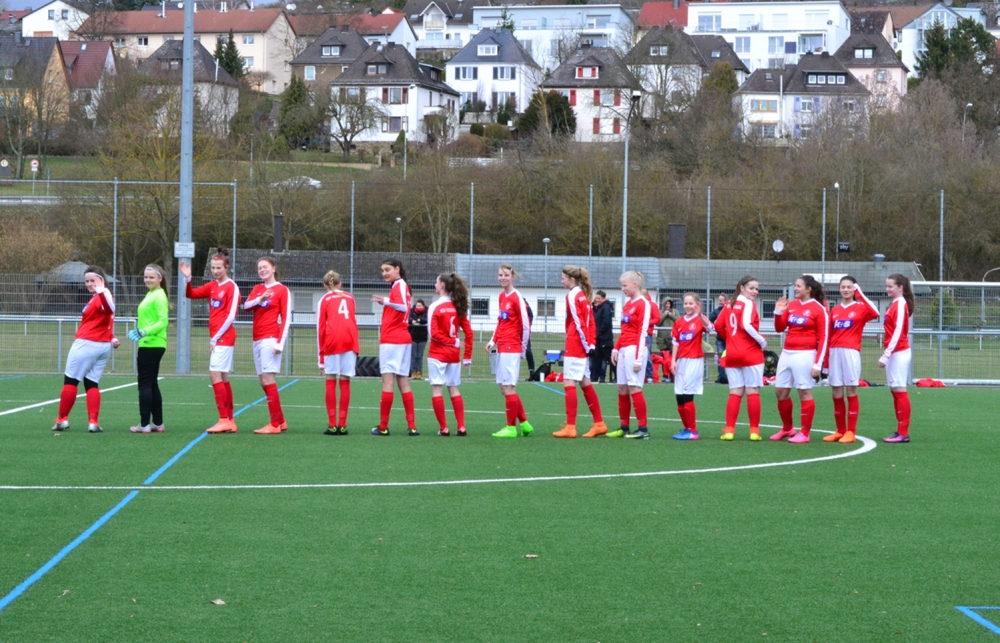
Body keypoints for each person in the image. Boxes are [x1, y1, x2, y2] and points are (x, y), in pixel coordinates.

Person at [51, 265, 120, 433]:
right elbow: (103, 321)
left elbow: (110, 309)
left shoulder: (103, 295)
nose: (89, 284)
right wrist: (112, 337)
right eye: (87, 281)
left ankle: (62, 419)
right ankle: (93, 422)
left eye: (93, 280)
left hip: (86, 344)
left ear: (101, 280)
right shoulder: (100, 296)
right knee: (91, 383)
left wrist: (101, 290)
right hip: (102, 346)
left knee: (71, 381)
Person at [180, 249, 240, 433]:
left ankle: (224, 419)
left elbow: (230, 316)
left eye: (219, 268)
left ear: (226, 267)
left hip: (224, 337)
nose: (215, 271)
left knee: (214, 374)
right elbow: (190, 294)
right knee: (223, 377)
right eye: (213, 268)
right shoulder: (212, 286)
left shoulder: (232, 287)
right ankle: (230, 419)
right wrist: (188, 279)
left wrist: (215, 338)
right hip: (217, 338)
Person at [769, 276, 830, 444]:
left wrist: (818, 364)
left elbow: (824, 338)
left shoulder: (819, 309)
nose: (795, 288)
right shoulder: (792, 305)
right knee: (780, 392)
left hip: (805, 354)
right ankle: (788, 428)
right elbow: (779, 328)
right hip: (786, 353)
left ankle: (805, 433)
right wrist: (778, 312)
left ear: (808, 288)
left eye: (798, 286)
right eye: (795, 286)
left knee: (804, 392)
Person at [553, 265, 608, 438]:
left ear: (572, 280)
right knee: (585, 383)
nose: (561, 281)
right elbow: (590, 322)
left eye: (563, 278)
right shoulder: (582, 295)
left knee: (569, 383)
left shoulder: (572, 295)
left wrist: (587, 345)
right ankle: (599, 423)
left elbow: (579, 323)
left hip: (576, 344)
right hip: (582, 344)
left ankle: (570, 427)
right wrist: (591, 344)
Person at [824, 276, 880, 444]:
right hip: (834, 352)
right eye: (843, 287)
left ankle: (851, 432)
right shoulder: (835, 310)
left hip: (851, 352)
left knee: (851, 390)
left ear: (854, 289)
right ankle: (840, 430)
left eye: (849, 287)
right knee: (836, 391)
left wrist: (860, 293)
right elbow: (829, 335)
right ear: (839, 289)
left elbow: (875, 313)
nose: (846, 290)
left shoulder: (861, 308)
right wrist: (825, 360)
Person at [713, 275, 767, 441]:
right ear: (742, 288)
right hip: (750, 353)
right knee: (753, 391)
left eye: (757, 289)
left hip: (732, 354)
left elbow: (717, 325)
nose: (755, 292)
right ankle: (754, 432)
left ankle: (729, 430)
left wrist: (730, 339)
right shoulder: (748, 303)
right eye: (752, 288)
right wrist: (762, 340)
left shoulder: (729, 304)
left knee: (735, 392)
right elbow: (747, 324)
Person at [243, 257, 291, 434]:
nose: (262, 270)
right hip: (257, 339)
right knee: (263, 381)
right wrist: (260, 299)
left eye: (265, 267)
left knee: (268, 379)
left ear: (273, 269)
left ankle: (274, 424)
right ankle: (281, 421)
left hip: (270, 339)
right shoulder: (257, 288)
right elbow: (246, 306)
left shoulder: (282, 290)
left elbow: (286, 318)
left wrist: (280, 343)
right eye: (259, 268)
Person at [486, 263, 534, 438]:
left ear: (512, 277)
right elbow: (501, 322)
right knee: (503, 388)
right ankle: (525, 424)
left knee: (509, 387)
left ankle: (511, 428)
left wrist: (523, 349)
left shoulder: (516, 297)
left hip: (511, 347)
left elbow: (526, 325)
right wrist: (493, 340)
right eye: (500, 275)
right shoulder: (502, 296)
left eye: (506, 275)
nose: (503, 278)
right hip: (502, 347)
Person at [371, 259, 418, 436]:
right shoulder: (402, 286)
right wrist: (388, 301)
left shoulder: (399, 285)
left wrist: (386, 301)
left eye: (387, 269)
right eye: (382, 270)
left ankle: (383, 427)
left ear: (397, 269)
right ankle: (412, 426)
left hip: (392, 339)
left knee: (388, 383)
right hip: (403, 339)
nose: (384, 273)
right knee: (403, 382)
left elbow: (403, 306)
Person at [427, 273, 473, 436]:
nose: (435, 285)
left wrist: (451, 342)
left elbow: (433, 334)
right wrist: (467, 355)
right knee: (454, 389)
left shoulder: (435, 306)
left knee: (437, 390)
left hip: (438, 354)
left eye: (436, 282)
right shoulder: (457, 306)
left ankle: (444, 428)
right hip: (454, 356)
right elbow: (469, 332)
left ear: (442, 286)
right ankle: (461, 426)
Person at [128, 264, 169, 434]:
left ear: (160, 278)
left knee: (144, 384)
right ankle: (157, 423)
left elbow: (163, 321)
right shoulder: (151, 294)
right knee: (152, 384)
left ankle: (144, 424)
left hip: (151, 344)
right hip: (150, 343)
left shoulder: (158, 295)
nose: (148, 280)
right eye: (146, 277)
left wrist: (145, 331)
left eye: (151, 277)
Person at [610, 271, 651, 439]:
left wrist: (638, 358)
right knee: (622, 387)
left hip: (635, 349)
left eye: (625, 285)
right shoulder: (627, 304)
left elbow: (642, 332)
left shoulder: (643, 304)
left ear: (635, 284)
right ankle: (624, 427)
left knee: (634, 387)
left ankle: (643, 429)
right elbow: (624, 330)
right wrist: (616, 348)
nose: (622, 289)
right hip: (624, 349)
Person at [317, 270, 358, 435]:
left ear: (324, 285)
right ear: (340, 283)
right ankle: (343, 424)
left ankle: (332, 424)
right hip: (350, 341)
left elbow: (320, 328)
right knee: (345, 380)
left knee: (330, 379)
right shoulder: (350, 297)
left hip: (332, 341)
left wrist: (320, 358)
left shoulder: (324, 299)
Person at [670, 292, 714, 441]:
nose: (688, 306)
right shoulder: (679, 322)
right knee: (679, 396)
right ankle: (687, 428)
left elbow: (710, 329)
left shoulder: (700, 319)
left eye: (691, 303)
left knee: (688, 394)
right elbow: (675, 342)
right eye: (686, 303)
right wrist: (673, 360)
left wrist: (700, 315)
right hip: (681, 362)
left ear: (697, 305)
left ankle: (693, 431)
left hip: (694, 361)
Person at [880, 274, 914, 443]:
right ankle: (900, 431)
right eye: (886, 286)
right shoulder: (895, 304)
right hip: (894, 352)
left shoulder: (900, 304)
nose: (887, 289)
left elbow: (898, 331)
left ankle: (903, 433)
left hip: (899, 352)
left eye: (890, 286)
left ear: (900, 287)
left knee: (900, 391)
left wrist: (886, 354)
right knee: (895, 391)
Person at [591, 290, 614, 383]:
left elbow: (606, 322)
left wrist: (598, 332)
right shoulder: (599, 308)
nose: (596, 300)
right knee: (597, 358)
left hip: (605, 338)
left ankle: (617, 376)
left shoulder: (606, 308)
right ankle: (595, 377)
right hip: (599, 338)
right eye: (596, 298)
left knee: (609, 358)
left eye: (599, 298)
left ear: (604, 298)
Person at [642, 288, 661, 382]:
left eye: (643, 295)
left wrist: (646, 322)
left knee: (647, 354)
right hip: (636, 334)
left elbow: (657, 319)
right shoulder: (636, 304)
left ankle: (649, 376)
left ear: (646, 295)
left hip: (647, 334)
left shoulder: (652, 305)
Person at [709, 294, 728, 383]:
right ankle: (721, 377)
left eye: (721, 300)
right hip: (720, 339)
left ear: (726, 301)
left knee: (731, 357)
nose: (720, 302)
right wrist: (715, 324)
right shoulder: (716, 312)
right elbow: (709, 321)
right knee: (720, 357)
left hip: (730, 339)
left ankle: (731, 376)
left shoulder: (730, 310)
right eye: (719, 300)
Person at [408, 299, 428, 379]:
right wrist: (412, 321)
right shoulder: (411, 311)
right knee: (413, 355)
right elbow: (408, 318)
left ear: (423, 306)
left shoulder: (427, 312)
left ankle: (419, 372)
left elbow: (427, 320)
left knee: (419, 355)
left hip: (422, 337)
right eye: (417, 305)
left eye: (420, 306)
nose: (418, 307)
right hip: (413, 337)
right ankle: (413, 372)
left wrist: (420, 320)